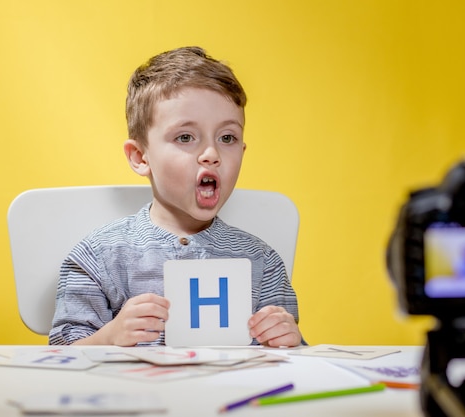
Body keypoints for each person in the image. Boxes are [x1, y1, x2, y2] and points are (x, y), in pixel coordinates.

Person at [49, 46, 303, 347]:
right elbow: (63, 354)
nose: (211, 154)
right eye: (185, 137)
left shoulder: (263, 263)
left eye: (227, 138)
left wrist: (290, 340)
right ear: (140, 157)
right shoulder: (98, 257)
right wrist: (110, 337)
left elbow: (292, 363)